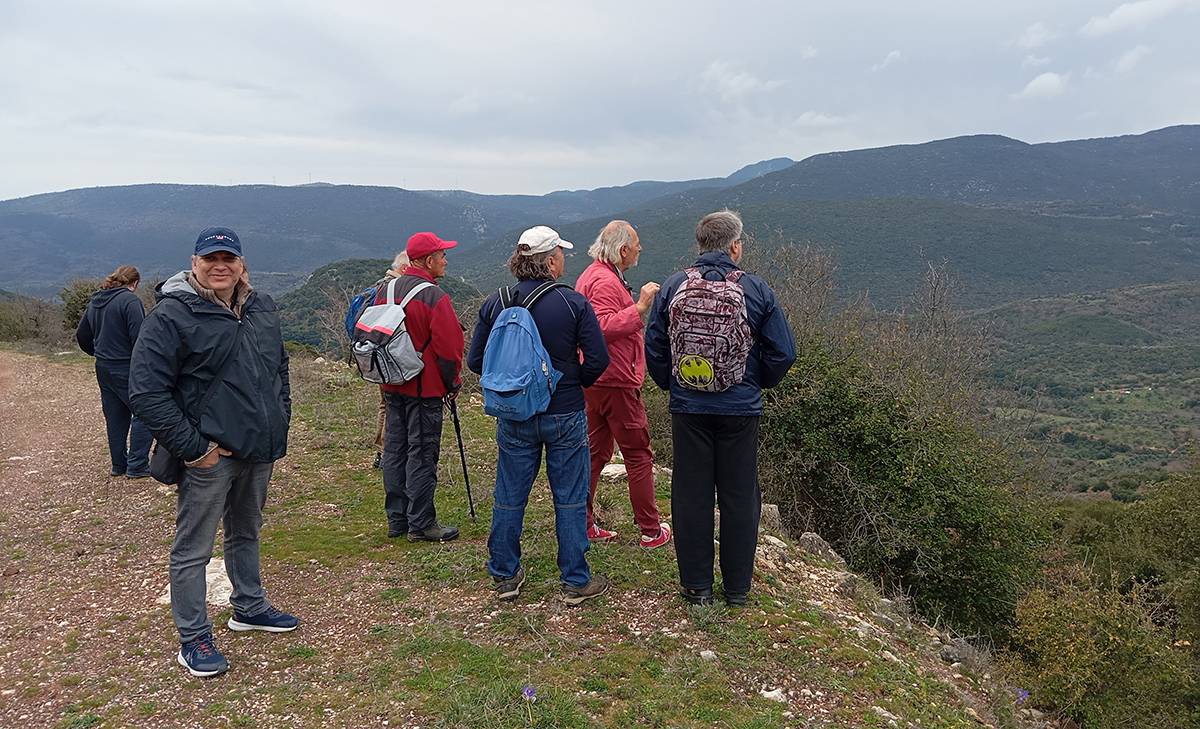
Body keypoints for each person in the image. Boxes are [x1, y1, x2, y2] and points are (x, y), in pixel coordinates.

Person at [130, 227, 297, 678]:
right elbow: (145, 393)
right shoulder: (171, 316)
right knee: (194, 549)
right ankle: (193, 636)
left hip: (258, 448)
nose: (219, 265)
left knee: (247, 532)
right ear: (194, 262)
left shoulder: (261, 306)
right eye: (210, 258)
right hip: (210, 455)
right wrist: (194, 449)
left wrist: (280, 416)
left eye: (228, 257)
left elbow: (277, 365)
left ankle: (249, 607)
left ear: (242, 264)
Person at [644, 210, 796, 608]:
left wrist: (675, 384)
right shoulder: (757, 289)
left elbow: (655, 347)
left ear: (699, 245)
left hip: (688, 407)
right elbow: (784, 351)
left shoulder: (674, 286)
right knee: (740, 495)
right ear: (735, 246)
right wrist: (753, 382)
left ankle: (697, 588)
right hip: (740, 409)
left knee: (691, 493)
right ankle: (737, 590)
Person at [467, 226, 611, 605]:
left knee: (510, 495)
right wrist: (569, 381)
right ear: (549, 262)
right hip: (563, 412)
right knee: (569, 497)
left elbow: (476, 361)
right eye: (561, 253)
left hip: (514, 415)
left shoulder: (496, 302)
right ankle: (575, 581)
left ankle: (505, 575)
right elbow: (598, 360)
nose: (564, 258)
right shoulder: (572, 303)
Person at [574, 221, 670, 547]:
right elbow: (598, 327)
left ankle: (583, 524)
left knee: (595, 452)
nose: (640, 249)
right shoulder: (602, 280)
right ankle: (651, 531)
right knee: (638, 454)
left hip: (595, 379)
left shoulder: (594, 274)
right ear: (622, 249)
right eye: (637, 243)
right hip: (614, 380)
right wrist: (640, 307)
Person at [378, 232, 464, 543]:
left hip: (392, 383)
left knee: (395, 450)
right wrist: (452, 382)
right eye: (442, 255)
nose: (445, 260)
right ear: (428, 261)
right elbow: (449, 347)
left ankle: (397, 520)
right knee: (423, 453)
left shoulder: (385, 290)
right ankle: (422, 523)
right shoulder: (433, 296)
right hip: (424, 387)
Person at [76, 265, 154, 479]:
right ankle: (138, 465)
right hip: (127, 366)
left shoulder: (96, 300)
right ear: (135, 283)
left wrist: (97, 352)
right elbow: (139, 338)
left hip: (103, 366)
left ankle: (119, 464)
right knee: (145, 413)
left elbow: (82, 334)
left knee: (115, 417)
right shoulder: (130, 301)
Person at [371, 251, 410, 470]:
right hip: (390, 357)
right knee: (390, 405)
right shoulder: (394, 290)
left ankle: (382, 452)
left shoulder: (379, 287)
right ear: (404, 268)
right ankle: (386, 454)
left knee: (385, 404)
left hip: (376, 355)